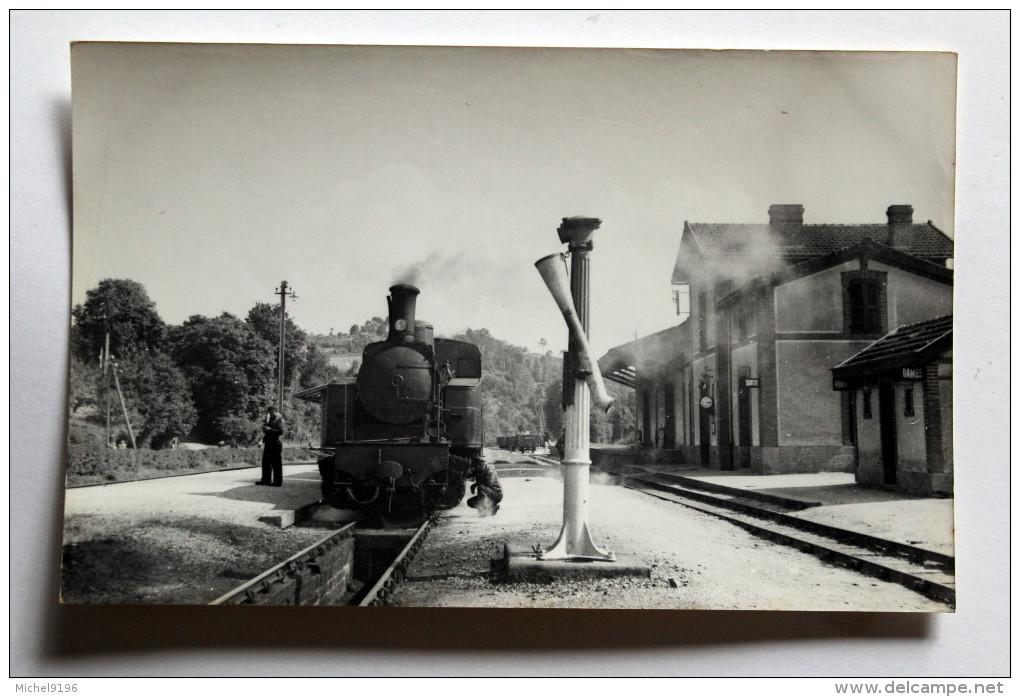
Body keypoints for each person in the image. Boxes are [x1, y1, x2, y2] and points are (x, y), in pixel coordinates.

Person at [256, 405, 284, 487]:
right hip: (268, 443)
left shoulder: (278, 420)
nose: (269, 413)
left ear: (275, 411)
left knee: (276, 464)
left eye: (271, 411)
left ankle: (277, 481)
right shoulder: (270, 420)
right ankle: (265, 479)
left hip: (275, 444)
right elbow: (267, 433)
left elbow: (280, 432)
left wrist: (270, 429)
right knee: (266, 462)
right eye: (268, 412)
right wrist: (262, 440)